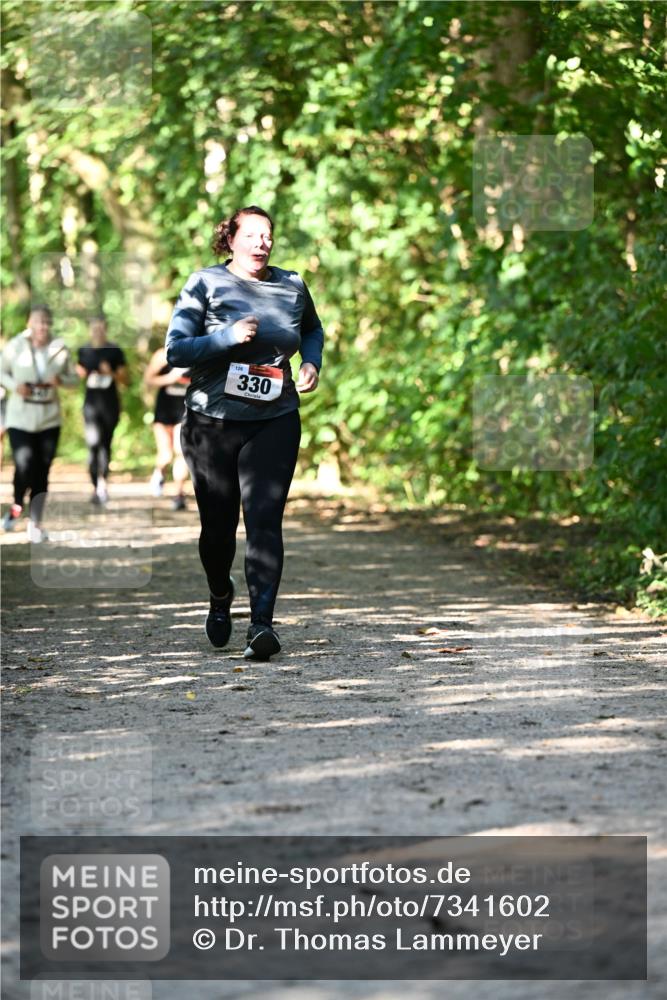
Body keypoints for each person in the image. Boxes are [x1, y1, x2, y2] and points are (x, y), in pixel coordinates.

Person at [165, 205, 323, 660]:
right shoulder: (204, 283)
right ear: (230, 239)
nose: (261, 242)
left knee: (264, 521)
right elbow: (176, 350)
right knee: (217, 530)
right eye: (251, 234)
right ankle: (220, 594)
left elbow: (312, 328)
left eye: (267, 234)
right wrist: (225, 337)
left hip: (274, 419)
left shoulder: (291, 284)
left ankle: (261, 625)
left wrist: (311, 361)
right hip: (211, 423)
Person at [0, 304, 78, 541]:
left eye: (46, 322)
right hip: (20, 416)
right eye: (37, 321)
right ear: (29, 324)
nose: (42, 326)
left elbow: (75, 380)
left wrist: (62, 380)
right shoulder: (14, 346)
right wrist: (15, 386)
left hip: (49, 417)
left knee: (42, 471)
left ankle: (36, 522)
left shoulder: (60, 348)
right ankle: (16, 505)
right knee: (24, 466)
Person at [75, 314, 128, 504]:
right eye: (94, 328)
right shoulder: (84, 351)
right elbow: (76, 376)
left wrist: (111, 373)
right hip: (90, 406)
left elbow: (125, 380)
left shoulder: (114, 350)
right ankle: (94, 486)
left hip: (110, 405)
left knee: (105, 444)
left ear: (106, 329)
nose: (97, 331)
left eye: (101, 328)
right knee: (92, 444)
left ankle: (103, 484)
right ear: (90, 330)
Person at [143, 346, 190, 510]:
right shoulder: (162, 354)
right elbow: (149, 379)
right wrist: (171, 378)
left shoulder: (197, 352)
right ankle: (159, 472)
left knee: (181, 451)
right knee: (166, 454)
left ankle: (179, 493)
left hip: (185, 410)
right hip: (164, 410)